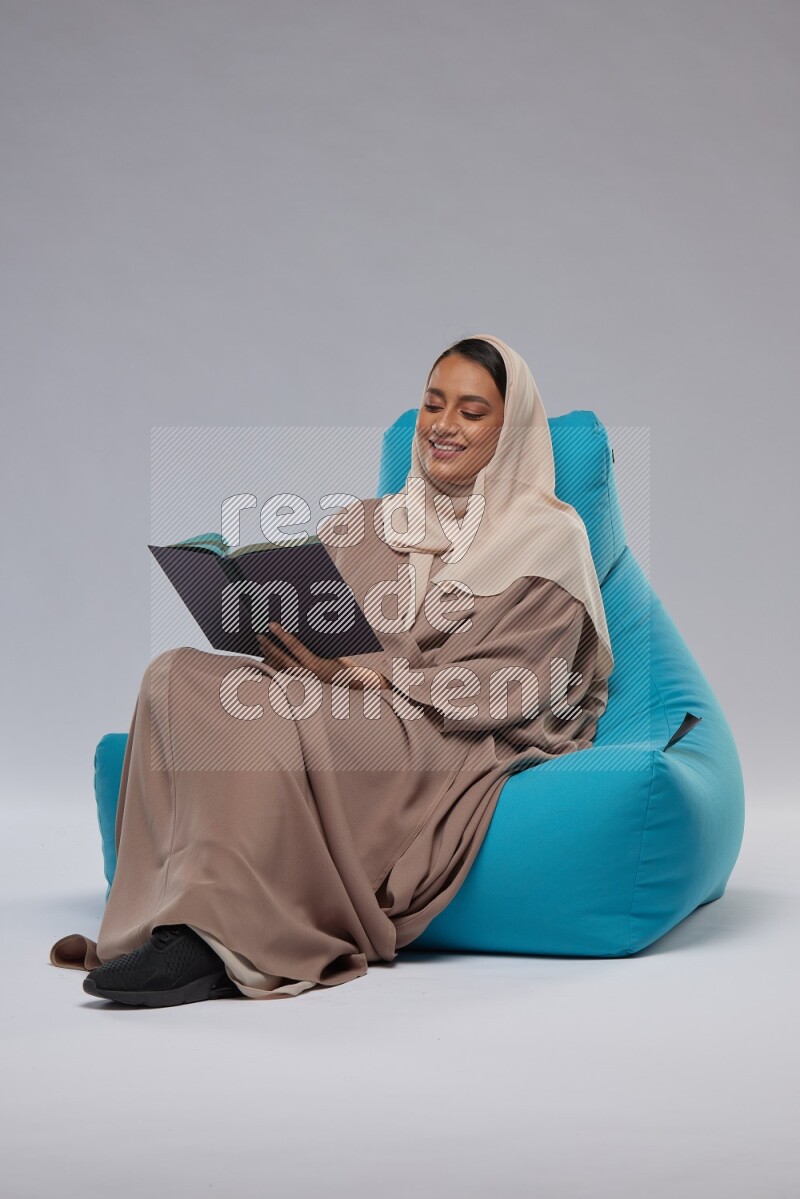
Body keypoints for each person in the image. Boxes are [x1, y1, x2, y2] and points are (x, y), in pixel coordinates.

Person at [49, 332, 614, 1005]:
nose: (441, 425)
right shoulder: (367, 523)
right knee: (173, 675)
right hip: (342, 697)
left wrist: (374, 678)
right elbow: (324, 631)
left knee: (267, 715)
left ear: (511, 427)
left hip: (443, 725)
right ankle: (166, 914)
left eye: (470, 410)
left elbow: (525, 679)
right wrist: (279, 635)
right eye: (433, 404)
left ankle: (218, 941)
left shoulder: (550, 535)